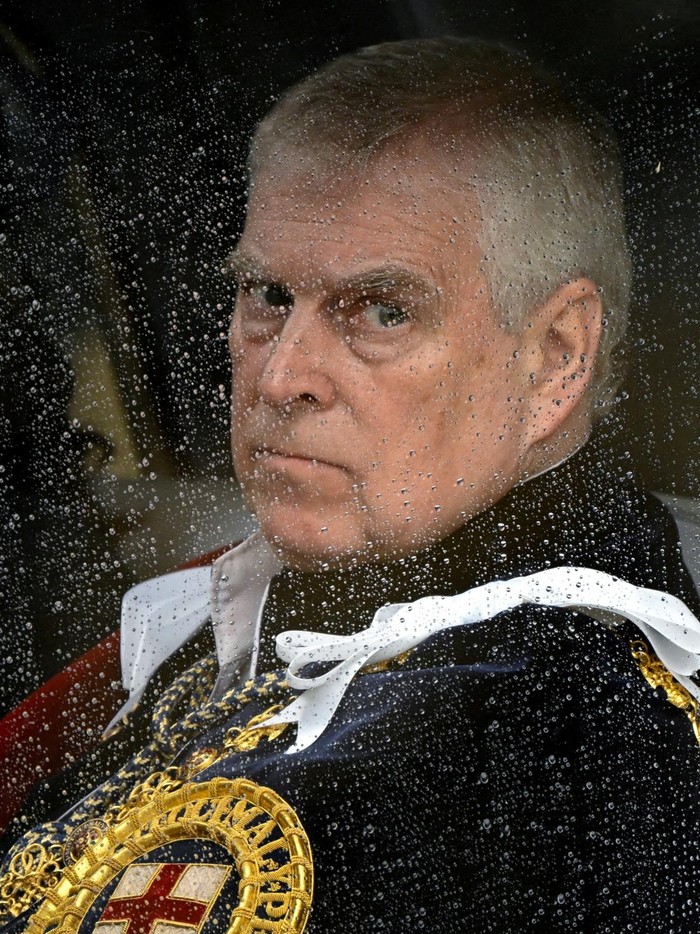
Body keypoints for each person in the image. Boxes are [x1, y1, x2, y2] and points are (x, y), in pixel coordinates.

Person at [1, 36, 699, 933]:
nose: (282, 375)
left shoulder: (556, 750)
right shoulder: (264, 613)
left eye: (382, 311)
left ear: (556, 356)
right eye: (266, 296)